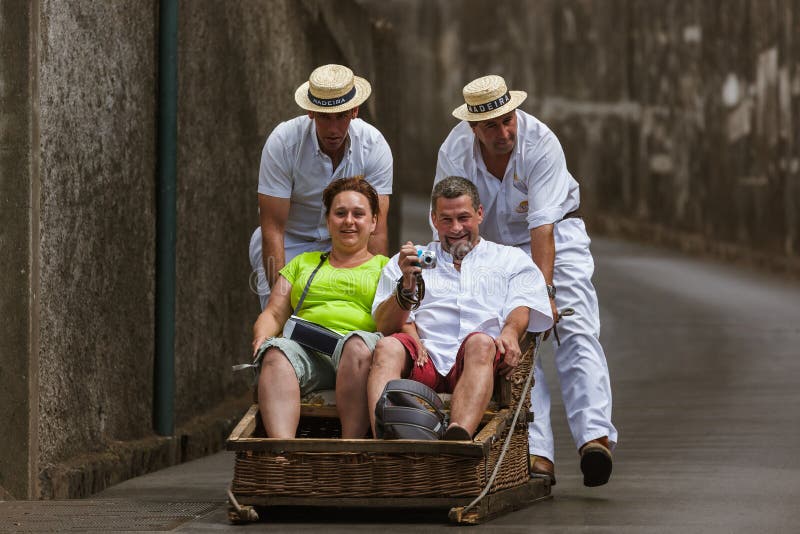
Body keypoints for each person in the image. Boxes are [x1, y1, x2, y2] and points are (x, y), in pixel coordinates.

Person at [434, 75, 617, 486]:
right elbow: (450, 220)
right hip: (492, 247)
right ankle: (537, 452)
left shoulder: (541, 142)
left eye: (508, 120)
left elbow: (542, 228)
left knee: (575, 327)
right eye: (491, 127)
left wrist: (544, 294)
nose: (503, 133)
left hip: (556, 237)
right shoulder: (454, 151)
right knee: (511, 341)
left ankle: (594, 437)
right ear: (472, 128)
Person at [367, 176, 553, 440]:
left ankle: (458, 436)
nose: (456, 228)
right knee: (386, 346)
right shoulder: (408, 260)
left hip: (477, 361)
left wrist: (511, 332)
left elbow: (522, 304)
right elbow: (384, 325)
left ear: (479, 214)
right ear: (433, 219)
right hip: (423, 360)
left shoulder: (510, 259)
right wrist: (406, 284)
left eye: (463, 218)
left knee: (481, 343)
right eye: (446, 219)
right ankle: (383, 440)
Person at [251, 177, 388, 438]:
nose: (349, 221)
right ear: (328, 221)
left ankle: (351, 449)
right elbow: (273, 312)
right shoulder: (303, 263)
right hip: (309, 351)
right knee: (276, 354)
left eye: (358, 214)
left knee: (356, 347)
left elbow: (395, 321)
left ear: (373, 223)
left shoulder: (386, 267)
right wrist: (262, 337)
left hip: (359, 353)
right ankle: (282, 456)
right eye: (340, 213)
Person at [249, 64, 393, 309]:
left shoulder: (374, 145)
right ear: (310, 112)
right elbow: (272, 228)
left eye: (341, 116)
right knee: (283, 328)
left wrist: (377, 295)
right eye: (325, 117)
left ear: (355, 111)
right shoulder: (283, 142)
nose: (333, 129)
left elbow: (376, 229)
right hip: (289, 241)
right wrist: (280, 305)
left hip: (345, 242)